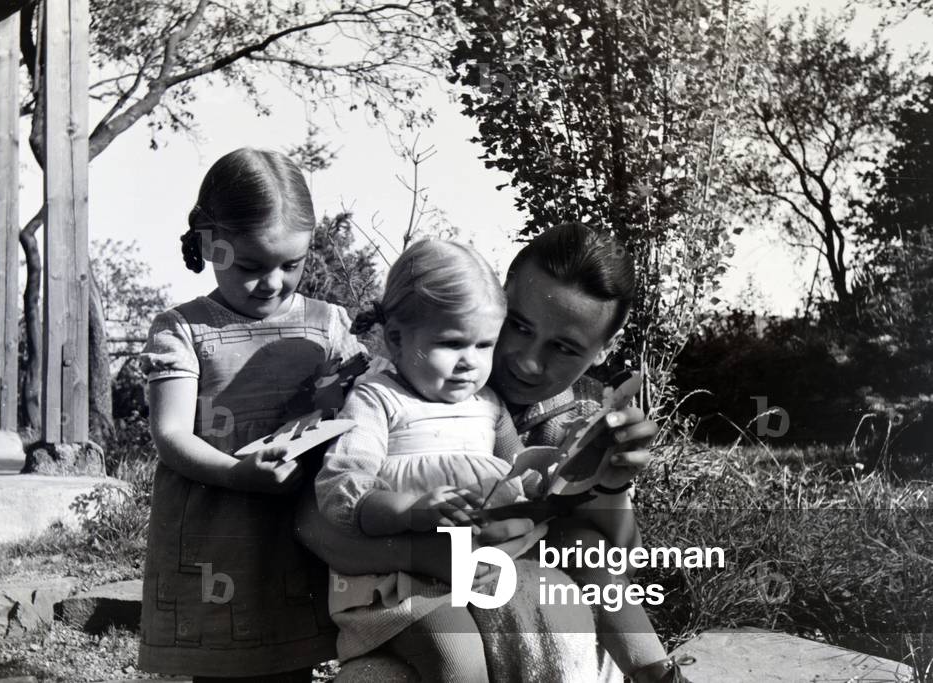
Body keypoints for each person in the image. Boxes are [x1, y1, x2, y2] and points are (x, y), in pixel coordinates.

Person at [297, 222, 688, 683]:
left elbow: (610, 556)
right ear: (500, 299)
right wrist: (425, 554)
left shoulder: (583, 414)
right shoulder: (389, 386)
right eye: (517, 326)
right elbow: (315, 520)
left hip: (537, 626)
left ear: (606, 350)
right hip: (426, 610)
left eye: (563, 348)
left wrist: (612, 479)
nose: (525, 360)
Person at [137, 147, 363, 682]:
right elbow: (170, 435)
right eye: (252, 266)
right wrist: (239, 473)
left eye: (293, 264)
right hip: (219, 533)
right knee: (225, 661)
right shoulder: (184, 330)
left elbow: (358, 408)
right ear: (212, 244)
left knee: (293, 661)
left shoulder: (327, 324)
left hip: (297, 529)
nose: (274, 282)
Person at [314, 239, 536, 682]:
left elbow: (522, 473)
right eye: (452, 343)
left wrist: (557, 465)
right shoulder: (378, 399)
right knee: (459, 661)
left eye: (484, 344)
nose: (469, 363)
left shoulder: (488, 404)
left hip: (482, 569)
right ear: (396, 339)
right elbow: (343, 490)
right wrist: (412, 511)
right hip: (401, 584)